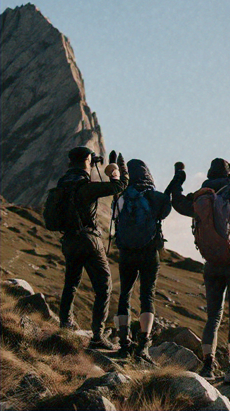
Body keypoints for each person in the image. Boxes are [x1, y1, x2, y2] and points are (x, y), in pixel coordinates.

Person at [170, 143, 230, 384]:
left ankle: (208, 366)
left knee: (213, 317)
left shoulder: (199, 200)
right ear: (229, 175)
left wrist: (178, 177)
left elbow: (176, 201)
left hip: (211, 264)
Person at [58, 146, 128, 349]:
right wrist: (117, 168)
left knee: (71, 282)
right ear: (87, 160)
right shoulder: (86, 186)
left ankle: (65, 323)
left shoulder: (63, 184)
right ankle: (97, 336)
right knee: (104, 285)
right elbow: (119, 186)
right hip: (88, 241)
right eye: (91, 159)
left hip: (69, 241)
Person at [114, 158, 172, 364]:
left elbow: (115, 218)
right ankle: (143, 346)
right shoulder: (154, 196)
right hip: (149, 253)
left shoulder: (121, 196)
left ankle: (123, 344)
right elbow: (165, 211)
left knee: (124, 295)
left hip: (126, 253)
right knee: (147, 296)